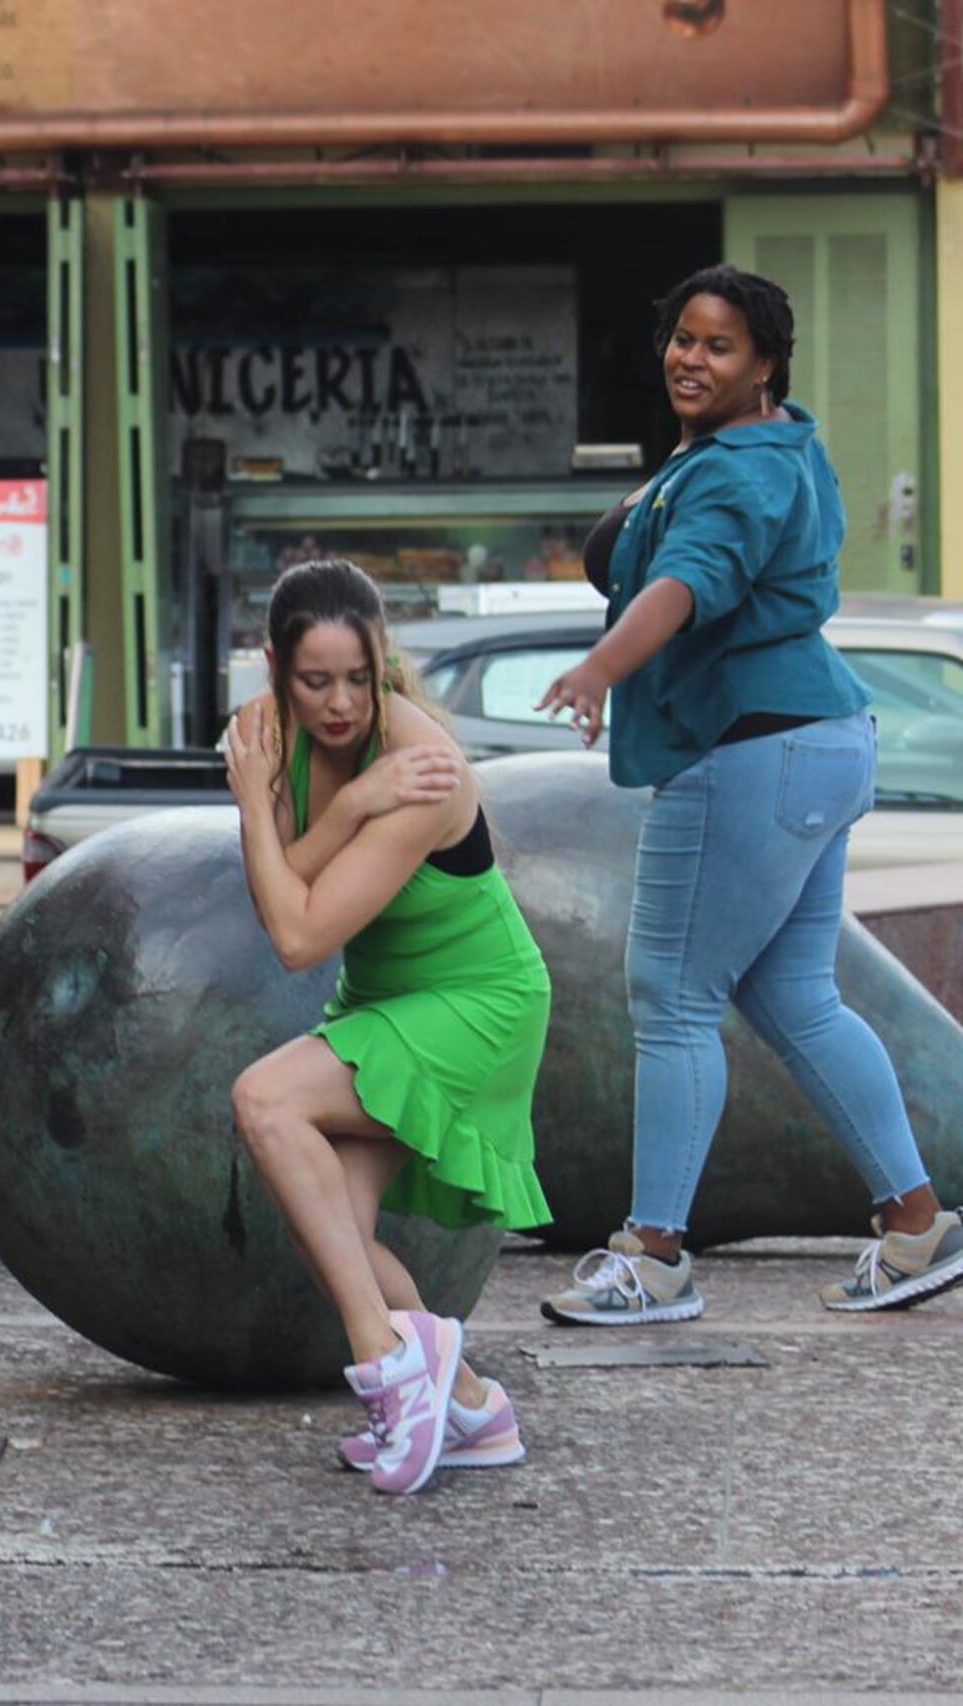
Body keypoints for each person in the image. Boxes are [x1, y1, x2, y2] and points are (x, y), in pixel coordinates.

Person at [536, 264, 963, 1324]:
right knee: (795, 997)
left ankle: (654, 1257)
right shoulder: (764, 449)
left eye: (719, 346)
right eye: (682, 337)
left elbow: (685, 584)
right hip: (814, 739)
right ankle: (916, 1227)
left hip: (750, 749)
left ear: (766, 364)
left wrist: (600, 668)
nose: (690, 357)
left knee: (671, 997)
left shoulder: (733, 477)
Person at [223, 558, 552, 1496]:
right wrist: (321, 808)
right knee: (331, 1225)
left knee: (265, 1102)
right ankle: (475, 1411)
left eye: (358, 679)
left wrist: (283, 811)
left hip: (475, 1002)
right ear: (276, 670)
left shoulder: (419, 765)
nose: (339, 705)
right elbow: (288, 874)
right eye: (314, 681)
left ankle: (389, 1368)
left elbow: (293, 930)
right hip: (383, 1000)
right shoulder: (265, 738)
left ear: (384, 662)